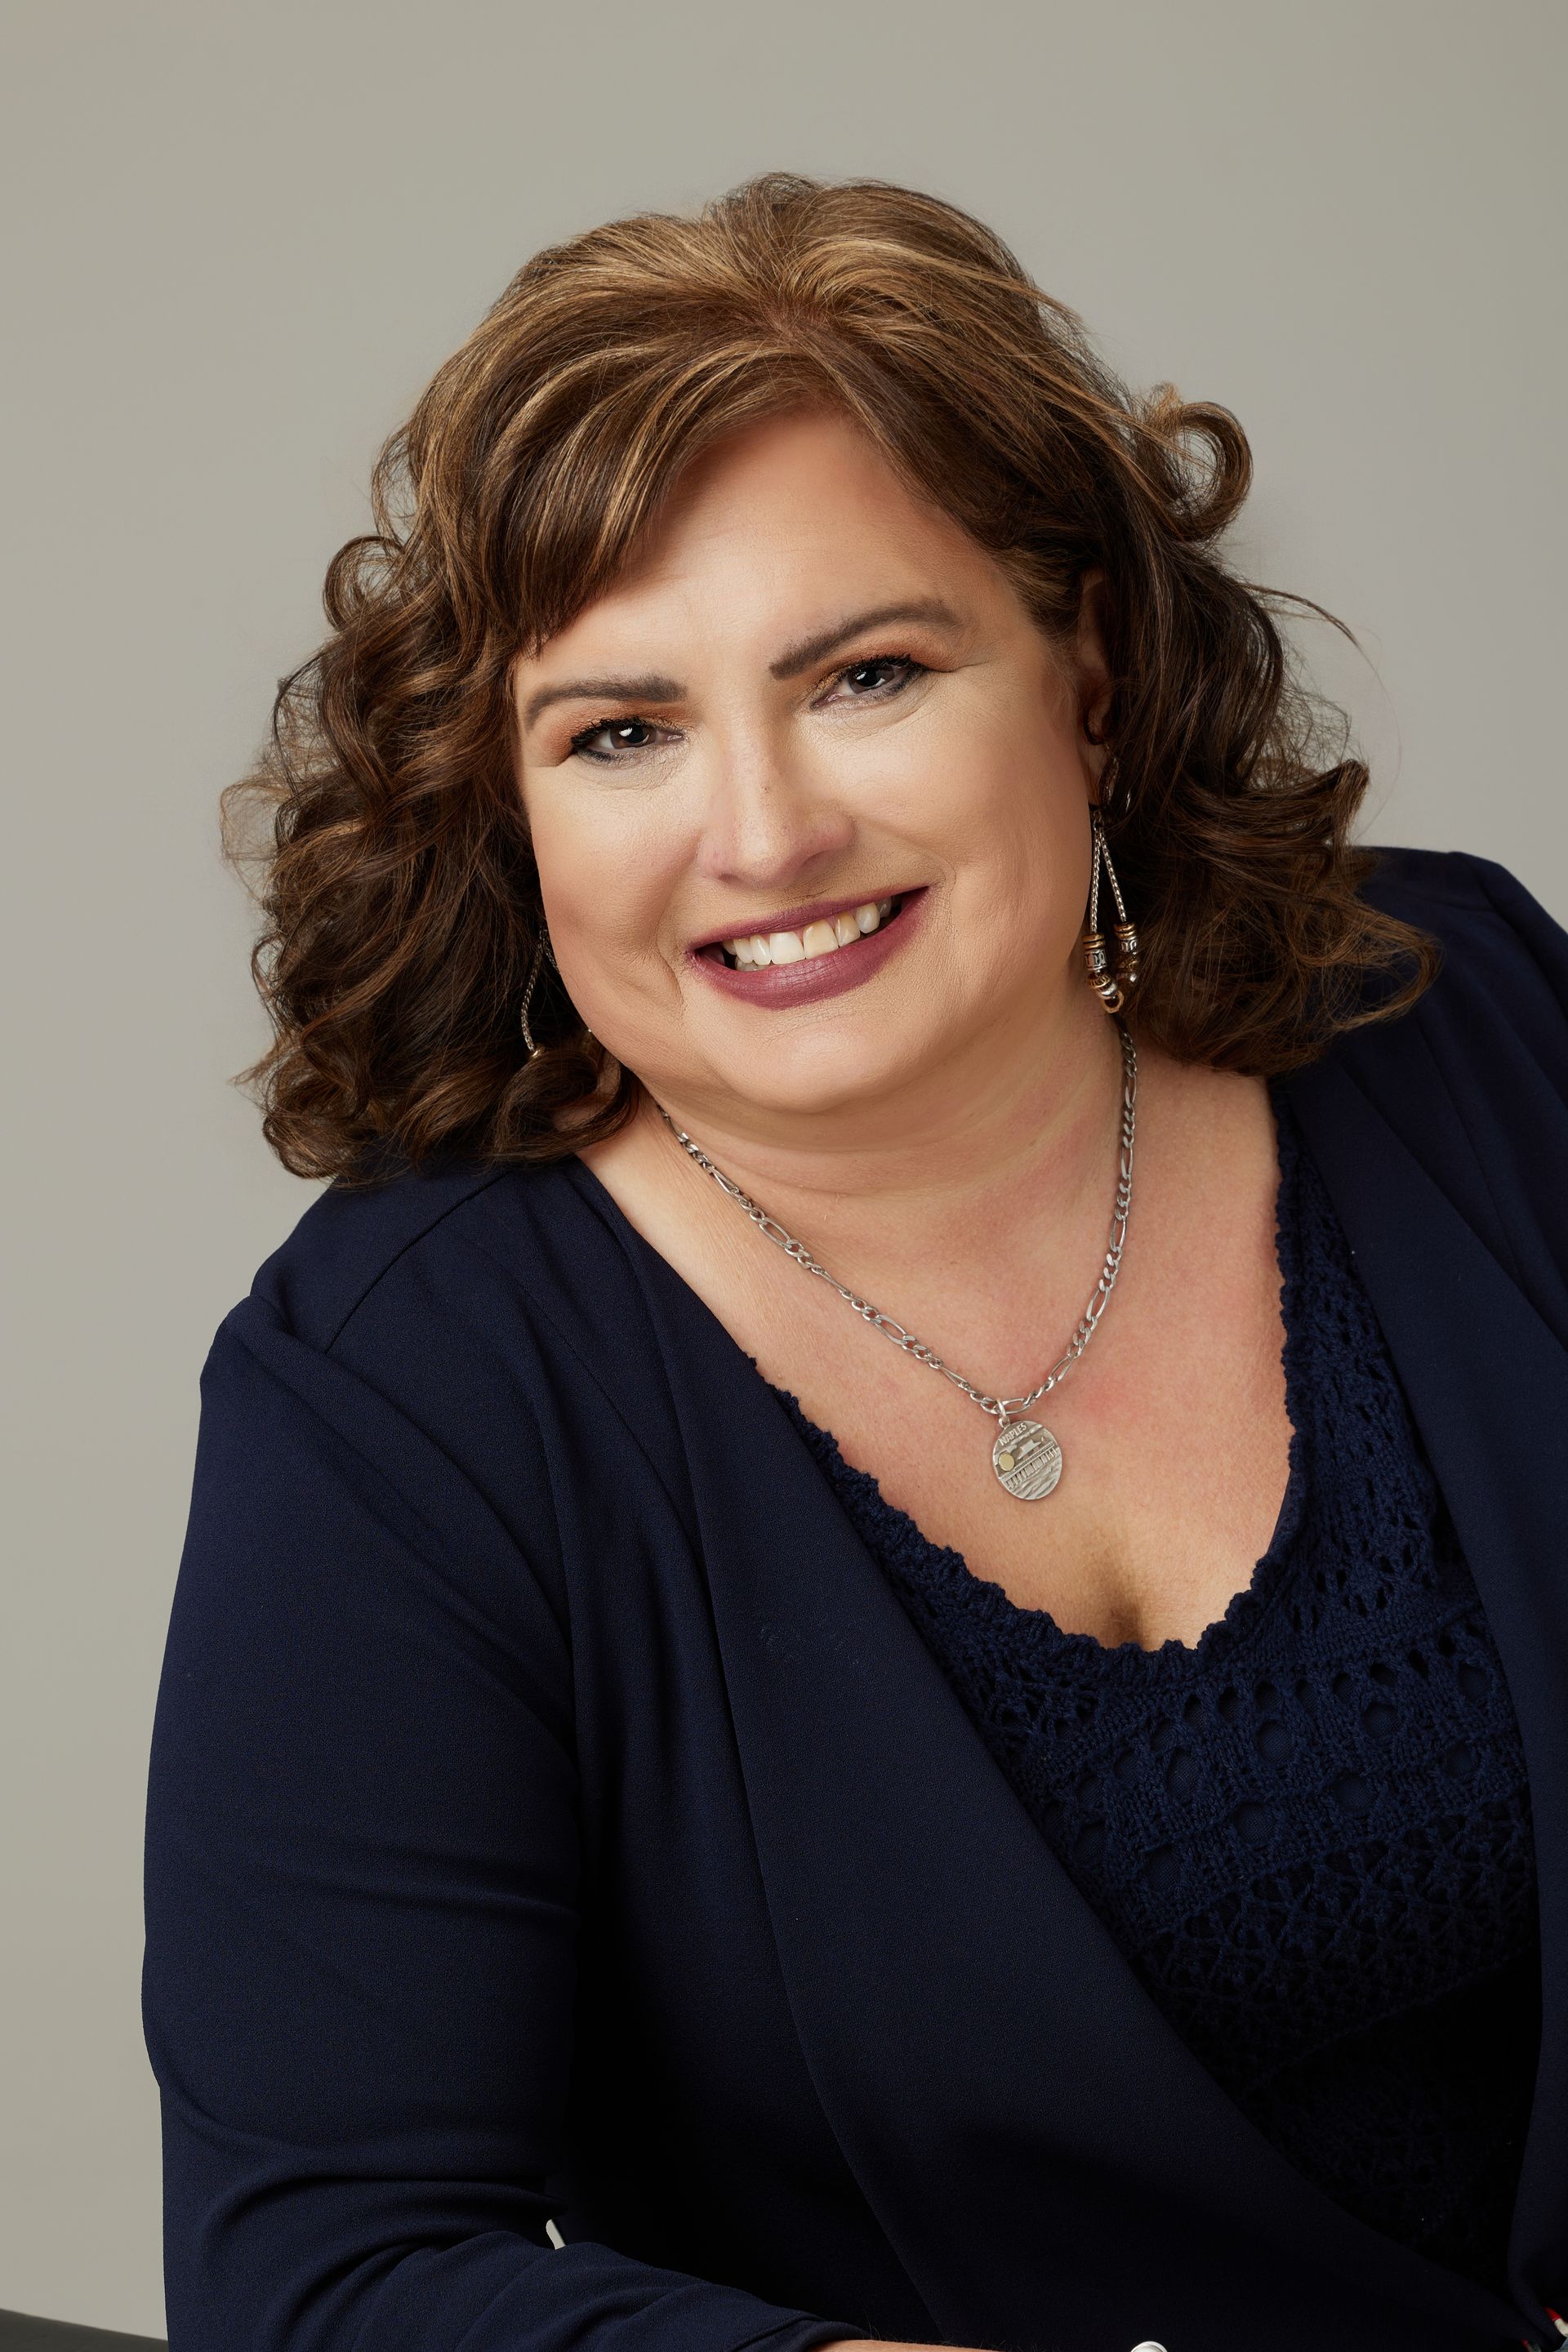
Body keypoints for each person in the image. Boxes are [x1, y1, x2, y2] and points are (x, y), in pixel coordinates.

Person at [142, 174, 1568, 2352]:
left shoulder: (1458, 1019)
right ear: (506, 803)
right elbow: (323, 2274)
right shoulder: (408, 1391)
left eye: (868, 674)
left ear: (1086, 671)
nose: (765, 833)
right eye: (622, 729)